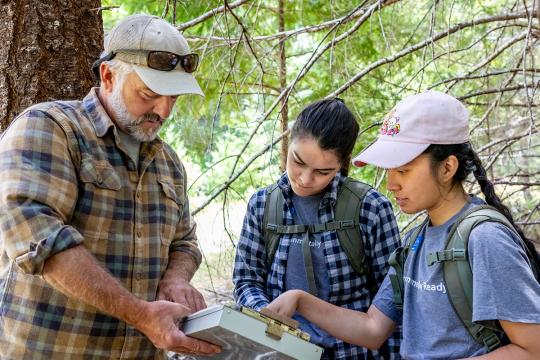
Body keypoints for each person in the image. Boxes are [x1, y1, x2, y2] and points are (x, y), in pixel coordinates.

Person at [0, 14, 220, 359]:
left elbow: (184, 241)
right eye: (149, 93)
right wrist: (140, 314)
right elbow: (40, 241)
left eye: (174, 98)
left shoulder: (169, 162)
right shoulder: (48, 129)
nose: (163, 110)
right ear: (108, 76)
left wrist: (176, 278)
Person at [267, 91, 540, 359]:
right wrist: (300, 300)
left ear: (447, 168)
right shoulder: (415, 241)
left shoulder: (485, 238)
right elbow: (373, 329)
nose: (391, 184)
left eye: (404, 170)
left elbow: (532, 349)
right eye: (389, 170)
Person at [233, 99, 402, 359]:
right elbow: (247, 280)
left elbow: (393, 305)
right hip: (282, 352)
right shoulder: (263, 205)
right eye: (298, 162)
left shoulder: (369, 208)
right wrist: (266, 314)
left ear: (342, 164)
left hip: (352, 353)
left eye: (323, 171)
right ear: (289, 141)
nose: (304, 179)